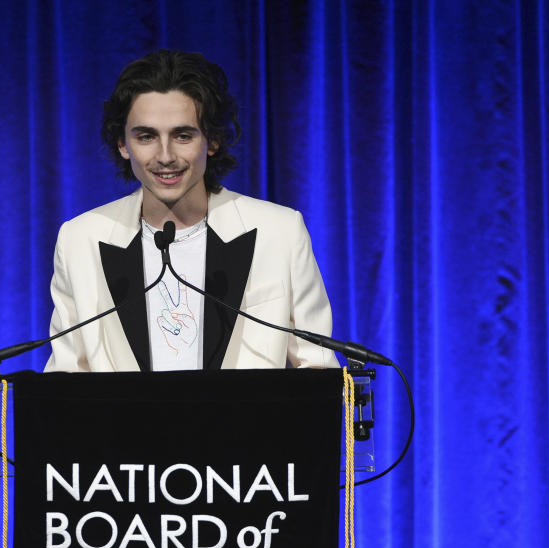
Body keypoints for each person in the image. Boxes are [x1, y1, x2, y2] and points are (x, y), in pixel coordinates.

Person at [44, 50, 339, 372]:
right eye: (146, 136)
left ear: (212, 140)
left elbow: (317, 366)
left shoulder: (279, 231)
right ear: (123, 144)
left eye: (183, 135)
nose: (165, 155)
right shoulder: (81, 239)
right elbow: (66, 376)